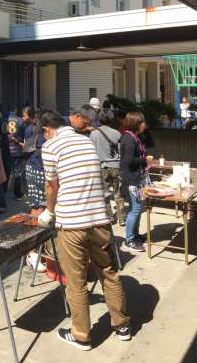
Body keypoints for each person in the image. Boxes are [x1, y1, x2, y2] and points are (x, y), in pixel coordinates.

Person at [39, 111, 131, 350]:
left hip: (71, 224)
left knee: (76, 281)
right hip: (99, 219)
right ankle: (122, 325)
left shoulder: (49, 146)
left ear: (47, 130)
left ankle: (81, 336)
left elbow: (51, 187)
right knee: (108, 272)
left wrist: (49, 212)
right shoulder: (85, 141)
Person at [120, 111, 154, 253]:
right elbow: (128, 161)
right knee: (135, 209)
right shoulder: (128, 138)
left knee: (138, 209)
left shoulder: (136, 136)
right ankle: (129, 240)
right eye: (142, 122)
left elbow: (150, 143)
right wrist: (145, 160)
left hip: (138, 178)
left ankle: (134, 235)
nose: (145, 124)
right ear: (135, 123)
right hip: (132, 179)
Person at [90, 110, 126, 226]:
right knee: (118, 193)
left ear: (99, 119)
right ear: (111, 119)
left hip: (101, 167)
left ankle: (110, 217)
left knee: (105, 194)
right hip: (115, 166)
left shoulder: (93, 134)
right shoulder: (117, 133)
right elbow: (121, 151)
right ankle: (122, 219)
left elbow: (91, 152)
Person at [24, 125, 48, 272]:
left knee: (40, 208)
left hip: (39, 168)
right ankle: (31, 252)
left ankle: (39, 247)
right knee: (38, 208)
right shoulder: (43, 135)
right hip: (37, 169)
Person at [7, 112, 25, 200]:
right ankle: (17, 194)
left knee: (7, 170)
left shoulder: (5, 120)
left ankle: (4, 191)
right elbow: (23, 134)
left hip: (7, 150)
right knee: (17, 172)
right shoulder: (20, 120)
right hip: (17, 150)